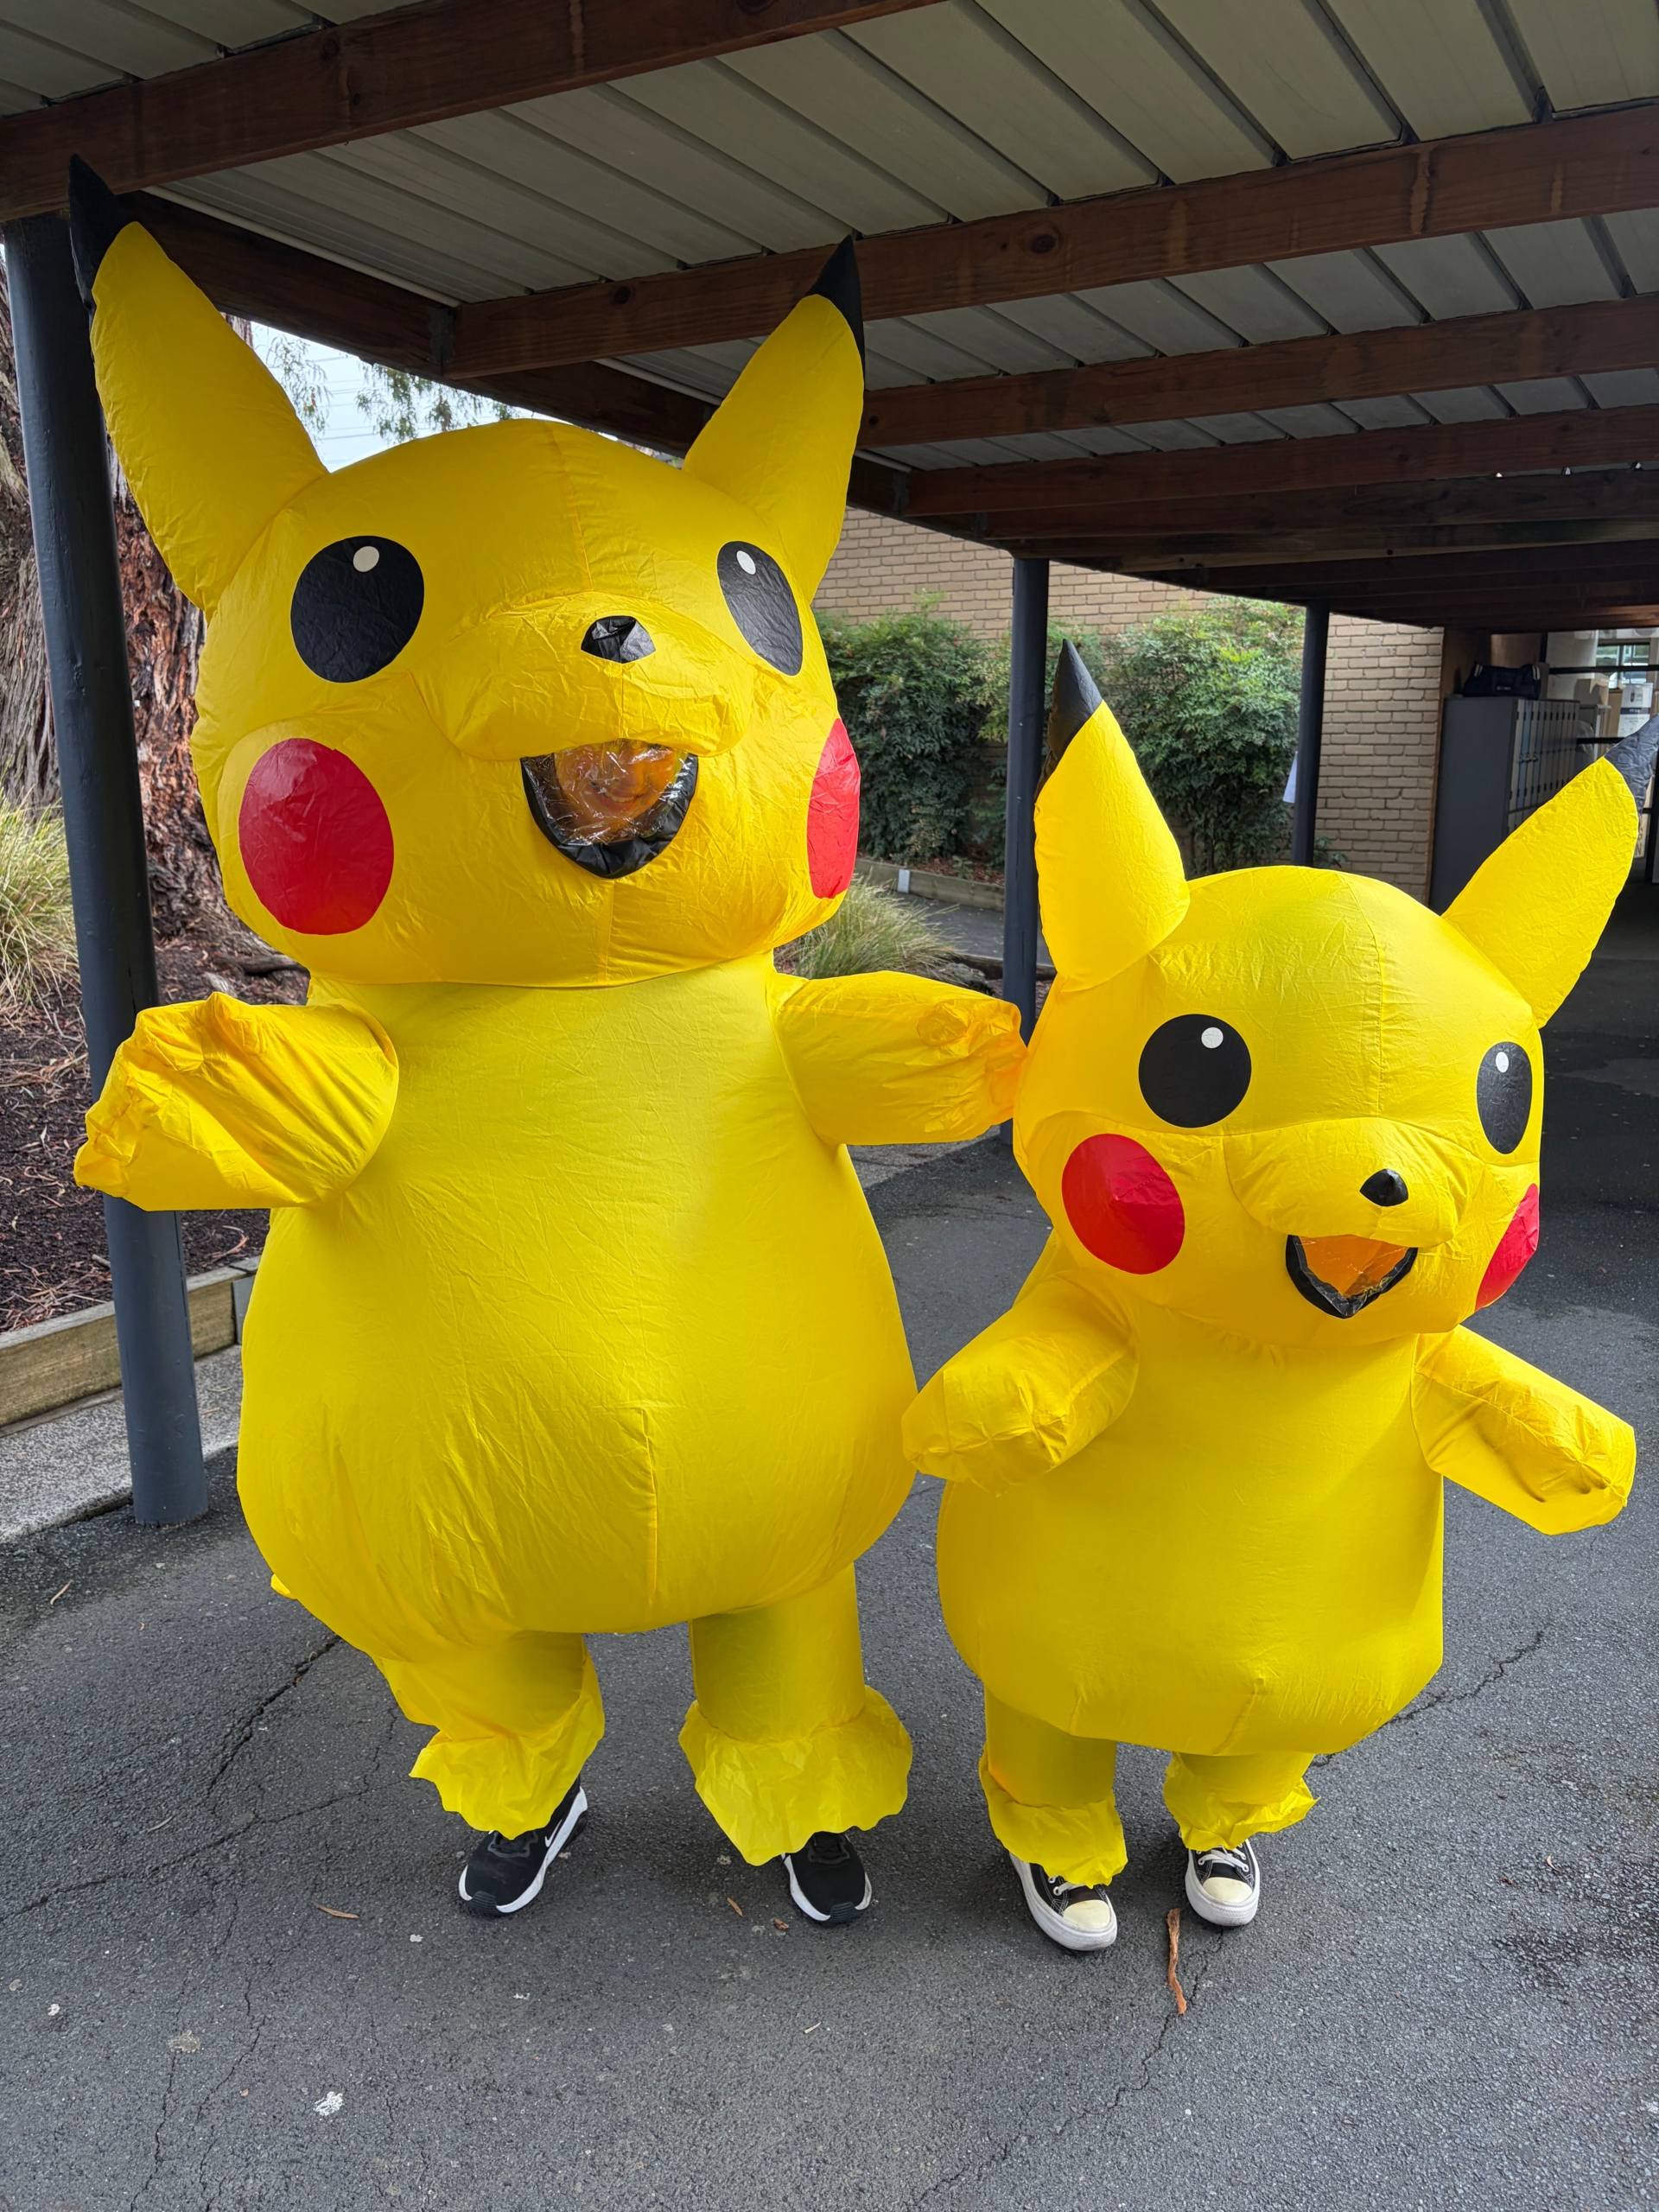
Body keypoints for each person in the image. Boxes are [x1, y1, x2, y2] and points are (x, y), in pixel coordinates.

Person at [68, 162, 1022, 1926]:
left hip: (763, 1443)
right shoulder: (380, 1025)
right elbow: (295, 1112)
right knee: (467, 1610)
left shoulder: (750, 1001)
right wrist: (241, 1105)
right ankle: (522, 1767)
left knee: (783, 1588)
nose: (608, 668)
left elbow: (830, 1050)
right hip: (464, 1475)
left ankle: (797, 1774)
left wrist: (913, 1049)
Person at [905, 644, 1636, 1952]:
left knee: (1279, 1702)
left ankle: (1226, 1812)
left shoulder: (1404, 1323)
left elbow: (1445, 1368)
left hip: (1319, 1589)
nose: (1375, 1186)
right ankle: (1055, 1828)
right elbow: (1064, 1347)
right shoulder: (1115, 1293)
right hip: (1087, 1570)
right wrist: (1016, 1388)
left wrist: (1533, 1424)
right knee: (1057, 1685)